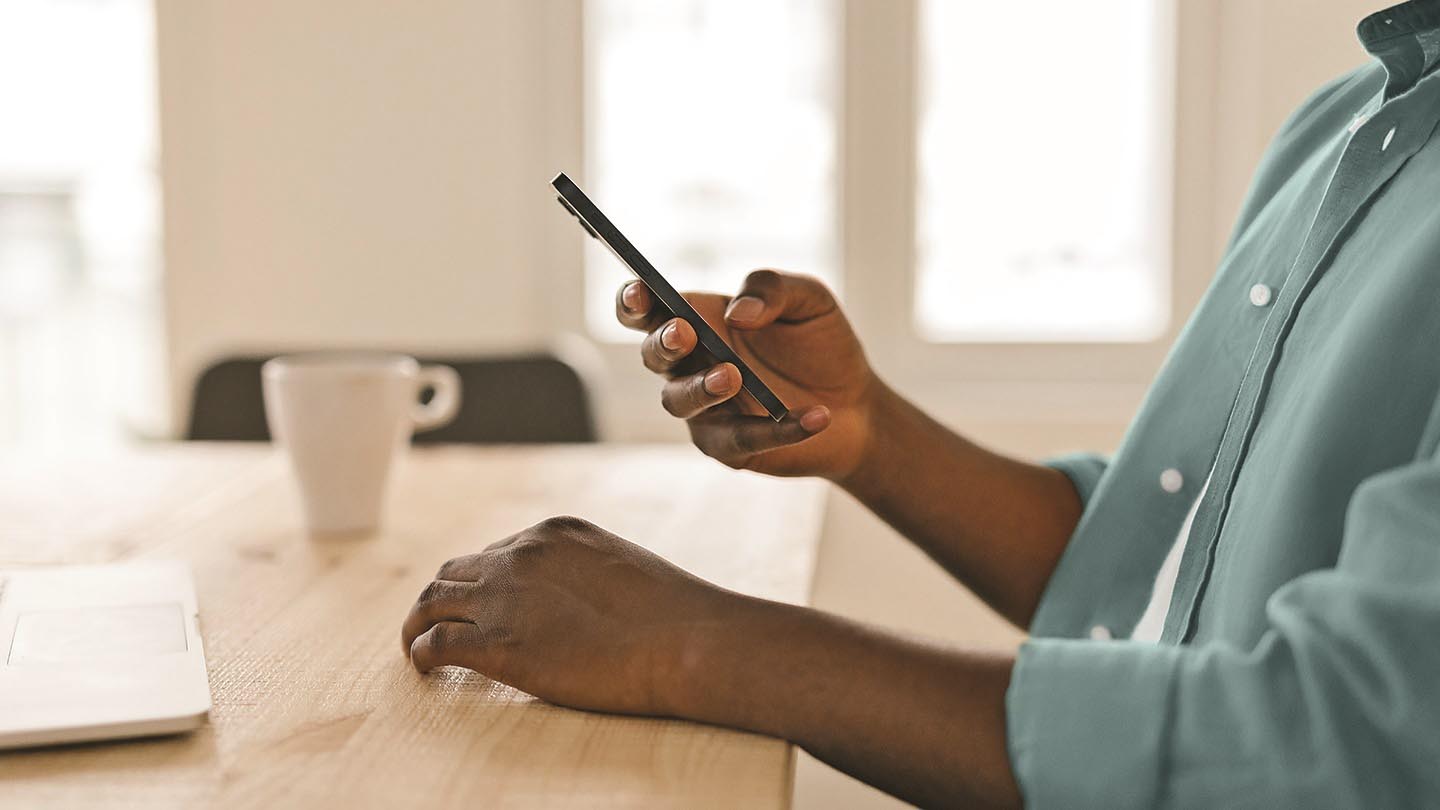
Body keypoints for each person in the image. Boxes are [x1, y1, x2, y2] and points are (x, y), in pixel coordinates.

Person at [401, 3, 1440, 806]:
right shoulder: (1344, 125)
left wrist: (691, 643)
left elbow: (1339, 749)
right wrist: (868, 434)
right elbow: (1158, 577)